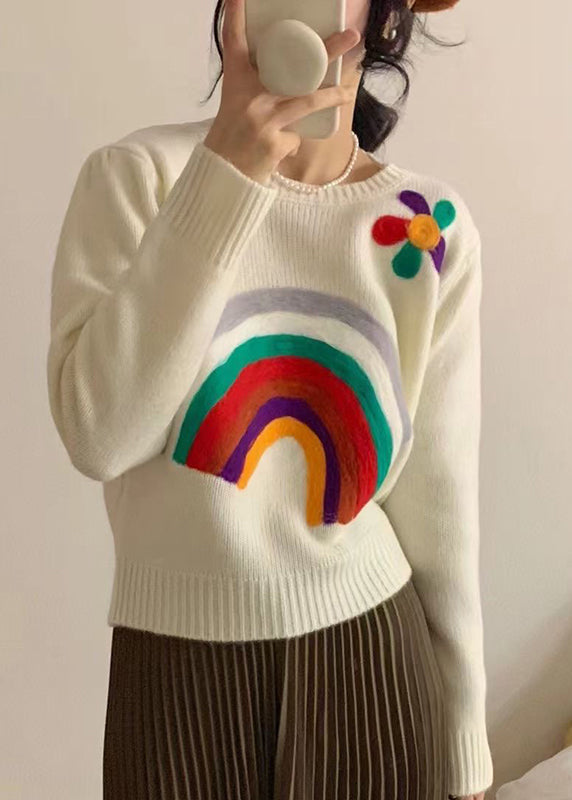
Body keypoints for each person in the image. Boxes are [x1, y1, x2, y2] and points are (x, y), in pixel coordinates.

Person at [46, 0, 493, 797]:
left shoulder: (428, 226)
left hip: (372, 661)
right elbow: (99, 434)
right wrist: (226, 177)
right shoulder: (136, 179)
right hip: (171, 671)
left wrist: (465, 743)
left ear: (384, 15)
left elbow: (442, 506)